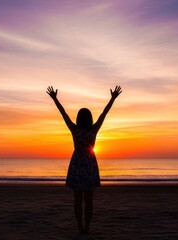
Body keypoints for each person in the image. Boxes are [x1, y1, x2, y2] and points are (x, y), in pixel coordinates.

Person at [46, 85, 122, 234]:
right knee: (89, 200)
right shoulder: (93, 130)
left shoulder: (75, 130)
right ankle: (87, 227)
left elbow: (64, 114)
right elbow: (104, 114)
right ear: (90, 119)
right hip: (89, 166)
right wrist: (112, 98)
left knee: (77, 200)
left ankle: (80, 227)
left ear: (78, 119)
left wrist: (55, 99)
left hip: (76, 166)